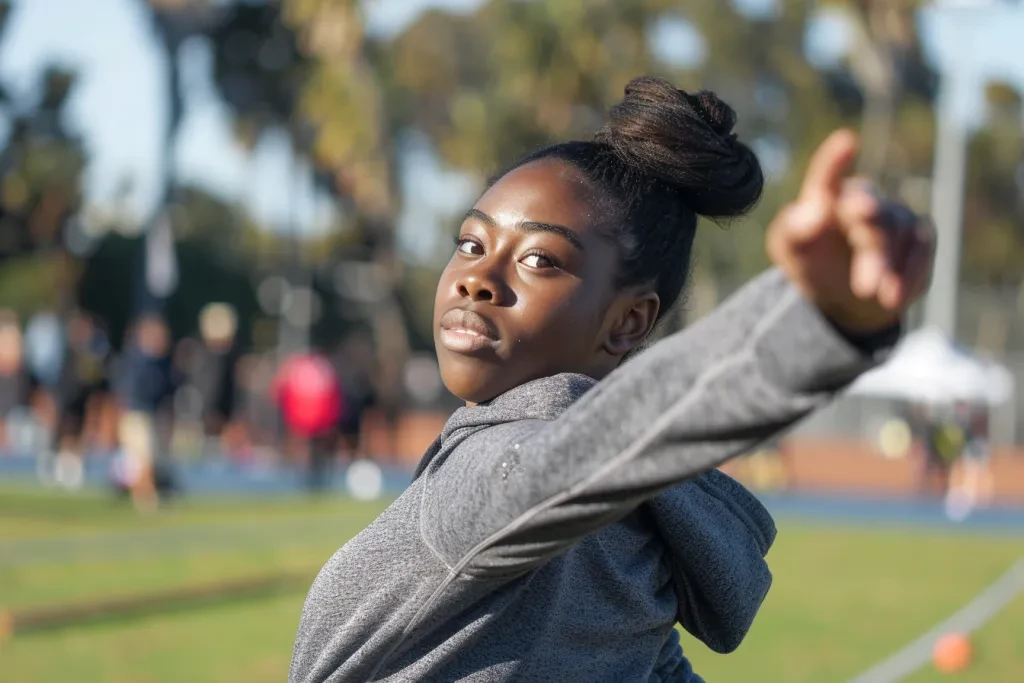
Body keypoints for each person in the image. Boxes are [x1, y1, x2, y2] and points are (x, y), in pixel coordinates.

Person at [290, 78, 934, 683]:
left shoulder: (493, 471)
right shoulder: (636, 529)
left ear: (629, 322)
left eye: (540, 258)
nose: (476, 277)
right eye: (469, 243)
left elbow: (584, 456)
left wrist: (810, 326)